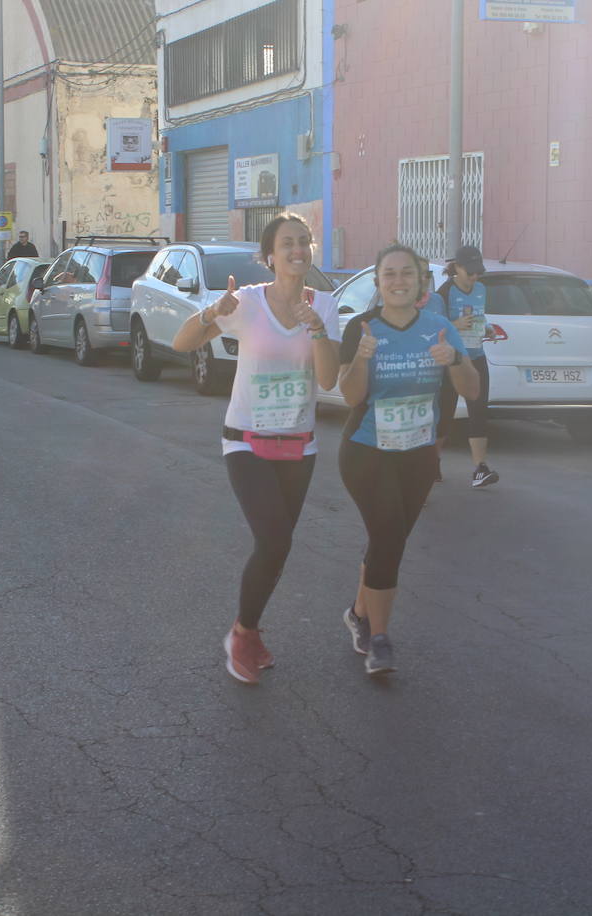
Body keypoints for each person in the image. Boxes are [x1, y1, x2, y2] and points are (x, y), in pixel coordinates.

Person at [172, 213, 342, 685]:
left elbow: (329, 379)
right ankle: (243, 633)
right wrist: (211, 311)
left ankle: (250, 630)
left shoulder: (323, 305)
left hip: (299, 445)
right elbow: (183, 342)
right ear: (270, 255)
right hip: (246, 440)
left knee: (279, 546)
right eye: (288, 243)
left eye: (305, 241)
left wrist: (318, 330)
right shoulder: (245, 302)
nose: (298, 250)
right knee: (273, 539)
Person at [337, 243, 479, 675]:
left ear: (420, 282)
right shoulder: (361, 328)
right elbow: (350, 396)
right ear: (377, 283)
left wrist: (453, 359)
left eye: (406, 274)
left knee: (389, 537)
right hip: (366, 451)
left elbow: (472, 391)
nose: (397, 281)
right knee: (388, 536)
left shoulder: (439, 327)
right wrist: (361, 358)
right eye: (389, 274)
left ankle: (359, 614)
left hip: (418, 454)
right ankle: (379, 639)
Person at [433, 245, 498, 488]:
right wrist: (455, 325)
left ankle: (480, 469)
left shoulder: (481, 289)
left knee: (479, 409)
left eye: (477, 272)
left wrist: (487, 327)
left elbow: (480, 315)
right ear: (456, 268)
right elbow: (436, 327)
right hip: (452, 360)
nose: (474, 277)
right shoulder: (445, 292)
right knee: (445, 412)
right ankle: (433, 463)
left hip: (476, 355)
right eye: (469, 271)